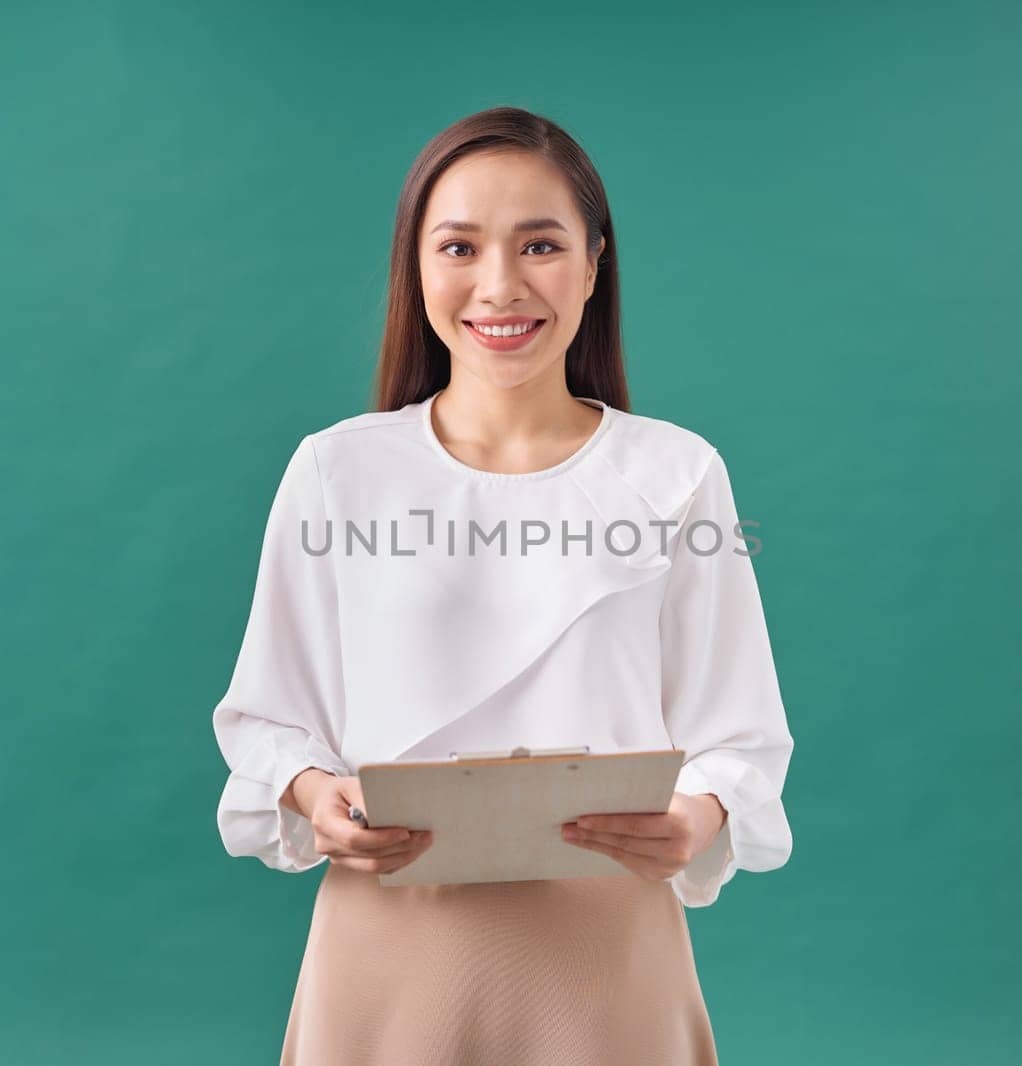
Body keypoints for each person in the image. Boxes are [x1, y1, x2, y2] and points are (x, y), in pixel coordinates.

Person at [211, 105, 794, 1066]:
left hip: (605, 947)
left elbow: (738, 733)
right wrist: (317, 797)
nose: (499, 285)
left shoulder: (677, 473)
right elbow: (270, 718)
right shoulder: (338, 472)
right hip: (389, 942)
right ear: (417, 267)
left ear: (595, 262)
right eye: (459, 246)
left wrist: (693, 817)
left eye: (539, 245)